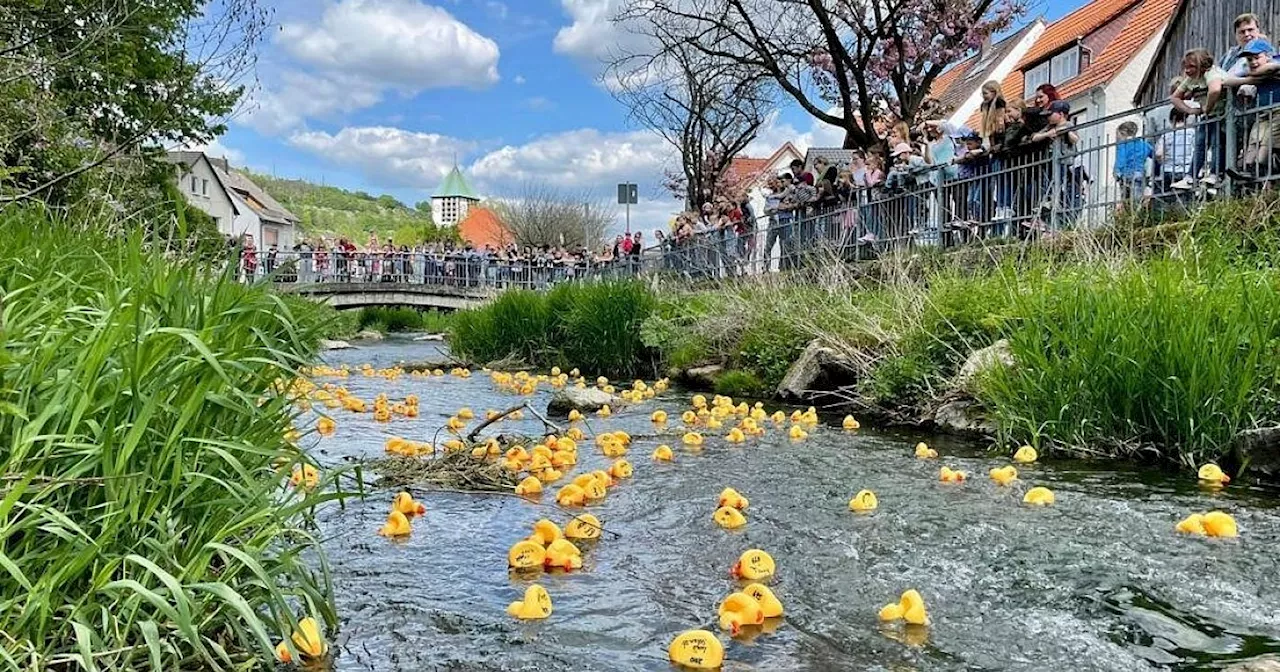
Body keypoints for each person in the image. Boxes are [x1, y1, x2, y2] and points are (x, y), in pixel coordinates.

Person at [1170, 48, 1228, 189]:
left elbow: (1215, 90)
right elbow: (1175, 97)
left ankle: (1216, 174)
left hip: (1223, 114)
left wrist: (1206, 108)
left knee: (1217, 143)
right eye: (1185, 67)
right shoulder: (1191, 79)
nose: (1187, 71)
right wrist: (1190, 110)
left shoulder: (1212, 73)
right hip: (1209, 116)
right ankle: (1191, 177)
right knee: (1200, 144)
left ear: (1202, 66)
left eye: (1191, 67)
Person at [1029, 100, 1080, 230]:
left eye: (1051, 114)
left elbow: (1075, 139)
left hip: (1063, 162)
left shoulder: (1068, 124)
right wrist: (1048, 134)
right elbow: (1034, 137)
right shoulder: (1049, 127)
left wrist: (1066, 132)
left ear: (1061, 114)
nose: (1048, 117)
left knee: (1057, 185)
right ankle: (1047, 206)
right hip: (1049, 162)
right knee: (1046, 185)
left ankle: (1053, 204)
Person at [1113, 120, 1154, 206]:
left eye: (1118, 134)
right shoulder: (1143, 144)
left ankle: (1129, 216)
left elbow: (1121, 159)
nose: (1116, 137)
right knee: (1137, 199)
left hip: (1126, 174)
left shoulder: (1123, 144)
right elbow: (1154, 154)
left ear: (1123, 133)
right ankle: (1136, 215)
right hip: (1139, 174)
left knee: (1126, 199)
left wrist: (1116, 172)